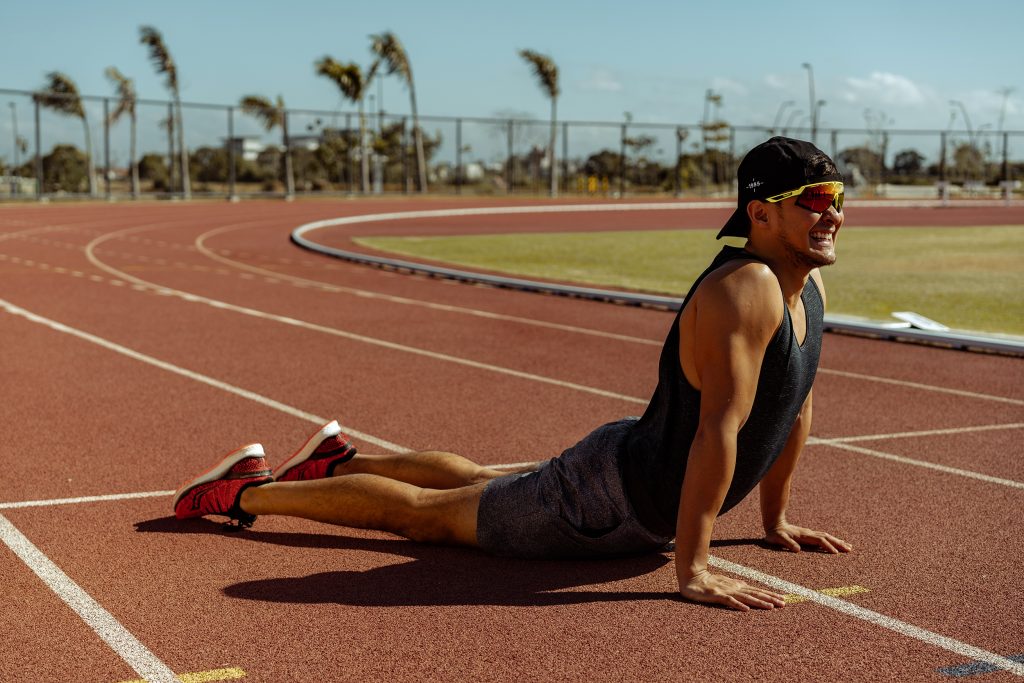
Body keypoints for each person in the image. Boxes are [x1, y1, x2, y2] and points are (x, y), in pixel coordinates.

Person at [173, 136, 852, 612]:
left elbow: (793, 404)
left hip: (625, 467)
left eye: (837, 196)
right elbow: (718, 428)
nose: (832, 213)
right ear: (760, 212)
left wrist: (775, 518)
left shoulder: (807, 291)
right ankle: (243, 494)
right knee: (427, 518)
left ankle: (334, 460)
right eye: (813, 199)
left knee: (474, 480)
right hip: (608, 502)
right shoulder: (747, 289)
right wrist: (694, 568)